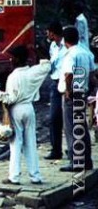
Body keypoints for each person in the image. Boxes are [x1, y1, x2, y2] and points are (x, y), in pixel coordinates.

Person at [0, 46, 50, 185]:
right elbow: (46, 65)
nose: (10, 60)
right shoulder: (34, 72)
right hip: (29, 108)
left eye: (12, 57)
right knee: (31, 143)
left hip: (16, 110)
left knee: (16, 143)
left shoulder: (13, 76)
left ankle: (14, 177)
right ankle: (35, 176)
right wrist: (38, 50)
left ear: (16, 59)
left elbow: (9, 99)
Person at [59, 26, 94, 172]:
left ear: (65, 40)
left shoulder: (70, 55)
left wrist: (68, 90)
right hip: (83, 90)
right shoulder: (86, 53)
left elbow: (68, 74)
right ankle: (86, 160)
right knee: (82, 127)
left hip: (72, 93)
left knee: (71, 128)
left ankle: (76, 161)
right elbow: (93, 73)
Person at [44, 21, 66, 160]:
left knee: (70, 119)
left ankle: (74, 149)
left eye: (48, 32)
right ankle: (56, 149)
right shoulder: (52, 46)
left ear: (53, 33)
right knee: (54, 118)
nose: (47, 34)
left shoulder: (67, 45)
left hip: (67, 82)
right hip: (55, 82)